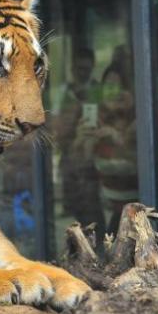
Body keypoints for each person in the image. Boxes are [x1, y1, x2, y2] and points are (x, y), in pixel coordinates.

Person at [78, 63, 138, 235]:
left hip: (138, 212)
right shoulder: (96, 121)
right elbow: (80, 168)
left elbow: (148, 166)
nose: (116, 92)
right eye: (110, 86)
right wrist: (81, 141)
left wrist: (119, 140)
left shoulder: (140, 121)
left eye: (122, 86)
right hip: (105, 212)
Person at [55, 48, 103, 229]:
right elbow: (57, 122)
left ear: (92, 68)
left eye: (86, 69)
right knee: (73, 202)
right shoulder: (64, 91)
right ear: (72, 69)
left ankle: (98, 240)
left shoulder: (98, 89)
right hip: (69, 150)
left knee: (92, 202)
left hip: (92, 150)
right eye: (78, 69)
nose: (82, 73)